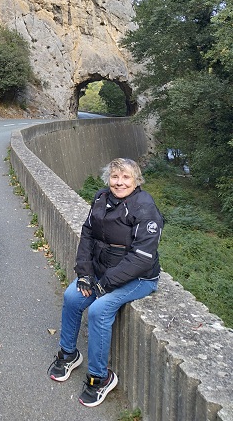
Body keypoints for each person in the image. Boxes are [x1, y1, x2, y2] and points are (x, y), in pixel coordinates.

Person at [48, 158, 163, 407]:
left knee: (99, 310)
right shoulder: (101, 198)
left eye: (126, 178)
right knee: (72, 296)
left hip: (139, 278)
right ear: (108, 179)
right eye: (115, 177)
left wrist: (105, 284)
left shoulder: (145, 208)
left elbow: (142, 259)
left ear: (136, 181)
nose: (119, 182)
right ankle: (69, 353)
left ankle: (100, 377)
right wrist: (85, 273)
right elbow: (88, 235)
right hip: (102, 272)